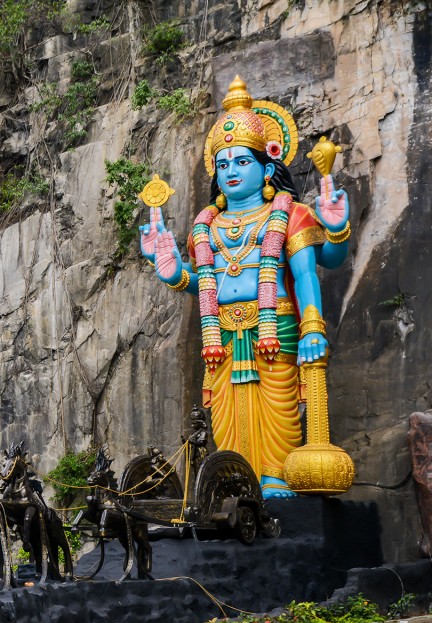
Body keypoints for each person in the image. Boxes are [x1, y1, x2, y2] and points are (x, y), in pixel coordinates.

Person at [139, 76, 350, 499]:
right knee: (227, 412)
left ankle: (274, 476)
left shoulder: (290, 214)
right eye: (223, 164)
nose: (230, 171)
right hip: (222, 334)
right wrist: (173, 272)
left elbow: (312, 270)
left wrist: (336, 232)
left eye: (241, 162)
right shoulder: (207, 227)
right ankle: (236, 480)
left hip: (277, 326)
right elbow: (205, 284)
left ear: (268, 166)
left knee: (279, 407)